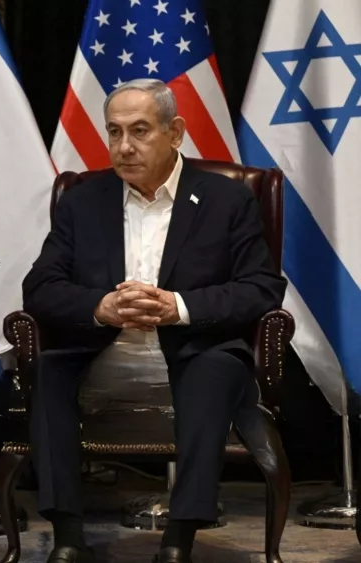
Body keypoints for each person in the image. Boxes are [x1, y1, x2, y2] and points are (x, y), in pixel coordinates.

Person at [21, 79, 286, 563]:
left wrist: (177, 306)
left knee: (212, 373)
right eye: (114, 132)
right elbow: (39, 287)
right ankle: (67, 537)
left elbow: (261, 287)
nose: (124, 146)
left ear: (175, 132)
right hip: (101, 350)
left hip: (195, 346)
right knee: (48, 372)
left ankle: (179, 539)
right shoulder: (83, 201)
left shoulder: (227, 199)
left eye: (140, 130)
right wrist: (100, 307)